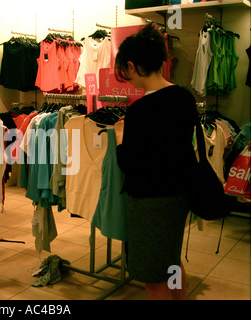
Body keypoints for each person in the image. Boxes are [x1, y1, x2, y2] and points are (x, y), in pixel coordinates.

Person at [113, 25, 198, 300]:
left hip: (150, 202)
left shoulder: (139, 111)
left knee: (153, 278)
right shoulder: (184, 97)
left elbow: (129, 163)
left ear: (131, 66)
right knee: (172, 260)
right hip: (179, 196)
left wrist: (119, 138)